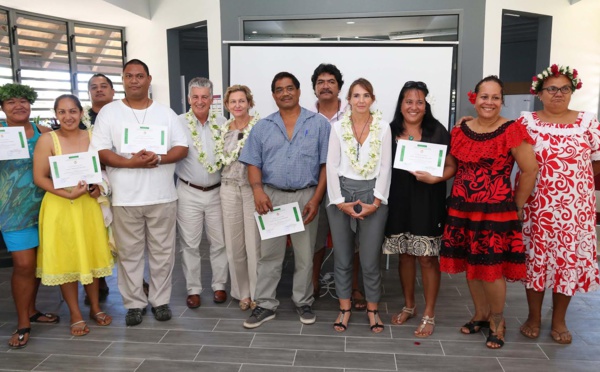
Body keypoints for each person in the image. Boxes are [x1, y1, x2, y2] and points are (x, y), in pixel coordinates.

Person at [440, 75, 539, 349]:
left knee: (492, 269)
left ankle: (497, 320)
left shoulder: (512, 130)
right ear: (474, 98)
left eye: (496, 97)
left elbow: (530, 170)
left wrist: (516, 206)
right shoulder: (459, 130)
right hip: (463, 208)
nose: (490, 102)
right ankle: (481, 314)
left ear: (502, 101)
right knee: (472, 265)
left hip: (496, 211)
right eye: (485, 96)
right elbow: (451, 166)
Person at [91, 59, 188, 326]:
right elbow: (100, 151)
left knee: (162, 253)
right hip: (125, 197)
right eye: (129, 76)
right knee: (129, 255)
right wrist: (129, 162)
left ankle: (160, 301)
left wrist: (158, 159)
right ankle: (134, 303)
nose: (134, 80)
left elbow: (182, 148)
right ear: (123, 80)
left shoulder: (165, 113)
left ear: (148, 79)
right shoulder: (109, 113)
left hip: (162, 196)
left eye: (140, 76)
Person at [239, 71, 330, 328]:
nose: (285, 93)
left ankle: (303, 301)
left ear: (299, 92)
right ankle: (265, 305)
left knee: (305, 255)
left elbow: (326, 166)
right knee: (269, 256)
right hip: (272, 198)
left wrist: (317, 197)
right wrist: (258, 191)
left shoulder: (319, 123)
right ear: (273, 95)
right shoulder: (262, 127)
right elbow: (253, 163)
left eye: (290, 88)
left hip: (306, 196)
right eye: (279, 89)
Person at [518, 64, 600, 344]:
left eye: (565, 88)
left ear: (572, 91)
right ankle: (533, 316)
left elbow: (596, 163)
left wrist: (572, 186)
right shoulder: (526, 122)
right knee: (536, 262)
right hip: (537, 208)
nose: (558, 94)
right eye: (552, 88)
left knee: (567, 262)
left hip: (574, 212)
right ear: (539, 93)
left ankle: (560, 319)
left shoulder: (588, 122)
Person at [33, 94, 114, 336]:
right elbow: (40, 177)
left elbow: (103, 170)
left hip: (88, 206)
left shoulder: (92, 138)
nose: (68, 117)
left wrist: (97, 187)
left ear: (81, 113)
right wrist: (67, 194)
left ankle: (95, 308)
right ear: (56, 115)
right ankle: (76, 314)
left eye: (73, 111)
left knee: (89, 254)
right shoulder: (47, 140)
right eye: (62, 112)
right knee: (68, 258)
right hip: (60, 206)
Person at [383, 81, 456, 337]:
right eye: (408, 101)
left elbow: (451, 166)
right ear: (401, 105)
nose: (414, 106)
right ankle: (409, 306)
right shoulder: (388, 130)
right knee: (404, 254)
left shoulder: (437, 131)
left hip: (428, 201)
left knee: (427, 258)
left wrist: (436, 179)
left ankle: (429, 313)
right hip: (398, 202)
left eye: (419, 102)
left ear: (426, 105)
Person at [326, 78, 392, 333]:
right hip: (342, 193)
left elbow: (385, 166)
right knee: (342, 257)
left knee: (369, 260)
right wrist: (339, 202)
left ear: (372, 99)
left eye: (366, 95)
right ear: (349, 99)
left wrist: (376, 202)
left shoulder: (383, 127)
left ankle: (373, 311)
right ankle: (344, 309)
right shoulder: (337, 127)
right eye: (356, 95)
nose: (361, 100)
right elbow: (331, 165)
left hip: (372, 192)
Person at [0, 83, 58, 348]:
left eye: (23, 100)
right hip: (12, 211)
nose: (19, 105)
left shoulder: (44, 133)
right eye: (11, 102)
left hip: (46, 208)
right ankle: (23, 322)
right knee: (23, 265)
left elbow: (62, 163)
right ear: (2, 107)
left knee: (35, 264)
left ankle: (32, 310)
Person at [310, 63, 366, 309]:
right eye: (321, 82)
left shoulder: (356, 114)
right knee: (315, 239)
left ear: (340, 88)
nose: (325, 86)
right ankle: (312, 285)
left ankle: (354, 288)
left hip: (348, 188)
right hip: (315, 188)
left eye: (331, 81)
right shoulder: (305, 118)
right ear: (314, 88)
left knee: (352, 241)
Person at [176, 77, 229, 309]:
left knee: (219, 242)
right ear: (189, 99)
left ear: (212, 99)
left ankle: (219, 286)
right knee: (190, 244)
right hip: (188, 191)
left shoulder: (223, 122)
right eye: (195, 97)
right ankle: (193, 289)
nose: (200, 101)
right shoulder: (177, 123)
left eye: (204, 97)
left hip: (218, 191)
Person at [220, 85, 261, 311]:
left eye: (241, 101)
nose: (237, 105)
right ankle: (241, 293)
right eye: (233, 102)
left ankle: (257, 293)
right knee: (234, 245)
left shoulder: (260, 127)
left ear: (249, 102)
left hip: (251, 189)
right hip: (227, 189)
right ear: (227, 105)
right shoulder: (223, 129)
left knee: (254, 245)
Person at [81, 73, 115, 305]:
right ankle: (99, 280)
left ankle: (134, 279)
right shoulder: (79, 118)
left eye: (104, 86)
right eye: (94, 87)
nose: (99, 90)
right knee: (96, 234)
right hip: (90, 184)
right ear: (89, 92)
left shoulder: (121, 114)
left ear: (113, 91)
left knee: (123, 234)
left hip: (119, 178)